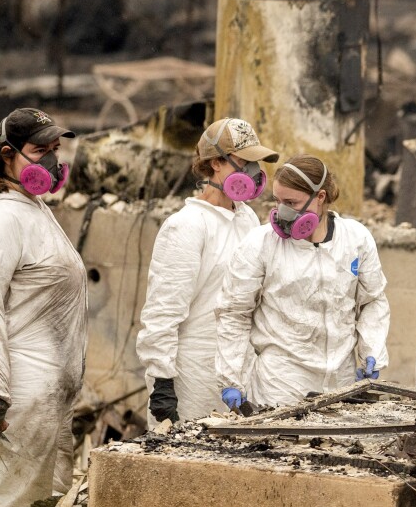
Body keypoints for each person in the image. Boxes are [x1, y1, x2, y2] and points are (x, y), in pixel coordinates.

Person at [0, 107, 86, 507]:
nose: (52, 161)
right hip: (15, 392)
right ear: (7, 155)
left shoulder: (32, 208)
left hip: (43, 392)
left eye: (55, 149)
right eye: (40, 150)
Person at [216, 155, 390, 409]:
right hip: (281, 384)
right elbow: (234, 313)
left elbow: (372, 301)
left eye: (291, 203)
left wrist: (371, 351)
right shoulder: (261, 244)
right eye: (278, 201)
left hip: (340, 382)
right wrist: (231, 377)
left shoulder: (355, 239)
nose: (282, 212)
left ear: (320, 197)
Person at [136, 117, 278, 424]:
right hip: (193, 373)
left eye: (256, 163)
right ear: (215, 163)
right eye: (245, 162)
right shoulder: (186, 226)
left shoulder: (246, 219)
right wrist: (162, 381)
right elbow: (163, 309)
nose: (254, 172)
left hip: (237, 367)